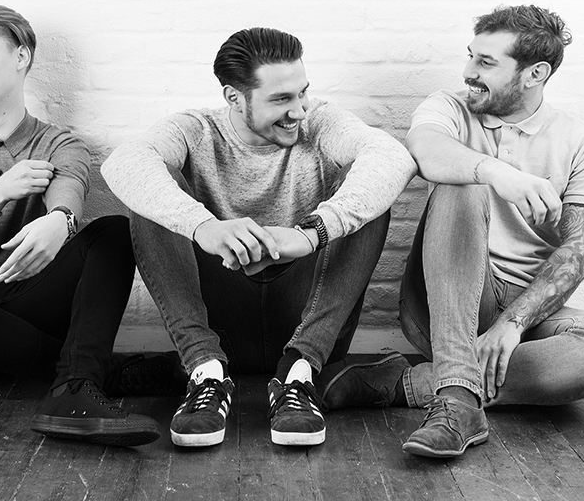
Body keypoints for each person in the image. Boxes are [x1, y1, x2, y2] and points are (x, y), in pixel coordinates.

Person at [318, 4, 584, 458]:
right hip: (444, 301)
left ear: (535, 73)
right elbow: (426, 151)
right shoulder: (448, 106)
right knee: (461, 186)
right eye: (471, 56)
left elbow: (578, 251)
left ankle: (418, 383)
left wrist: (513, 323)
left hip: (528, 314)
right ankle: (456, 394)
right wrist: (493, 172)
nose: (469, 72)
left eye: (486, 63)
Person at [101, 27, 416, 447]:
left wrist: (310, 234)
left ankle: (297, 378)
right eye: (281, 99)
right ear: (234, 97)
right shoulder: (196, 130)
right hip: (219, 325)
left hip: (309, 323)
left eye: (302, 93)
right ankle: (205, 373)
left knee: (368, 195)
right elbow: (124, 162)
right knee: (152, 194)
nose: (299, 110)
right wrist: (204, 226)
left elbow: (392, 157)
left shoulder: (320, 122)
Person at [0, 3, 173, 448]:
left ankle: (75, 389)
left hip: (22, 312)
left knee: (114, 232)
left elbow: (69, 184)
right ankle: (94, 373)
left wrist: (61, 221)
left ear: (21, 57)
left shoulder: (59, 143)